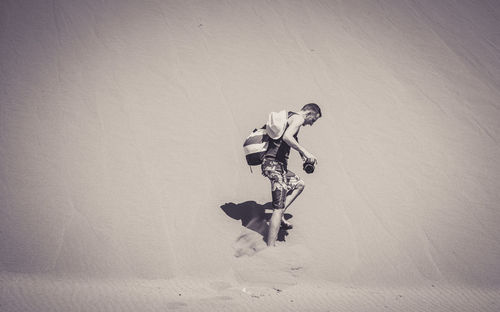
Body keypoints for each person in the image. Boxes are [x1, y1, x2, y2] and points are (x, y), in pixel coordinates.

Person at [261, 103, 322, 246]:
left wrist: (302, 154)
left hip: (276, 166)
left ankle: (279, 216)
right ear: (309, 113)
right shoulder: (299, 119)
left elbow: (290, 136)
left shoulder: (290, 116)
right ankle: (270, 248)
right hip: (274, 165)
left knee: (299, 184)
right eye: (313, 120)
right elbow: (287, 137)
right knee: (278, 207)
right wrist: (306, 151)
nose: (311, 124)